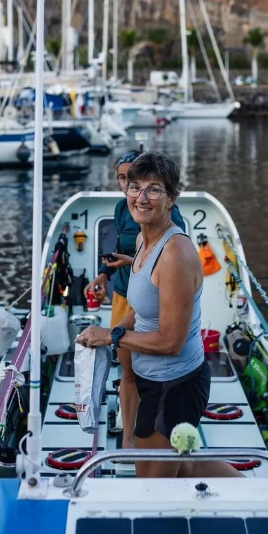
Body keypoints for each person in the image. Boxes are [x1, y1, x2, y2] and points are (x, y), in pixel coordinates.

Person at [77, 151, 241, 479]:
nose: (141, 197)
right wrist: (113, 331)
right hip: (151, 379)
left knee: (152, 485)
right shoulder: (143, 238)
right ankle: (257, 495)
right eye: (135, 187)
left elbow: (171, 342)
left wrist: (110, 336)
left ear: (171, 200)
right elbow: (142, 311)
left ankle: (259, 501)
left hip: (174, 385)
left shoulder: (175, 254)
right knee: (184, 464)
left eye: (154, 189)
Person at [84, 150, 184, 449]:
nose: (135, 190)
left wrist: (133, 263)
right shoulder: (120, 209)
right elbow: (124, 246)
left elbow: (164, 261)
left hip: (152, 300)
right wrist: (104, 274)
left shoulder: (169, 222)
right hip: (124, 296)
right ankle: (128, 439)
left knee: (151, 371)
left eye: (142, 183)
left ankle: (153, 433)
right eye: (125, 180)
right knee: (128, 371)